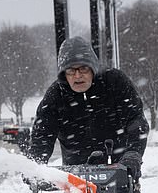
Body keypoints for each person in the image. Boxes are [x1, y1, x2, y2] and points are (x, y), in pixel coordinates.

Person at [27, 36, 149, 181]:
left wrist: (133, 154)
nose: (77, 75)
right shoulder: (55, 96)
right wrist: (35, 165)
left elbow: (136, 120)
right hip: (76, 172)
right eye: (71, 71)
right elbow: (42, 135)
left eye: (83, 68)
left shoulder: (115, 82)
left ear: (92, 68)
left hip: (119, 166)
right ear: (64, 74)